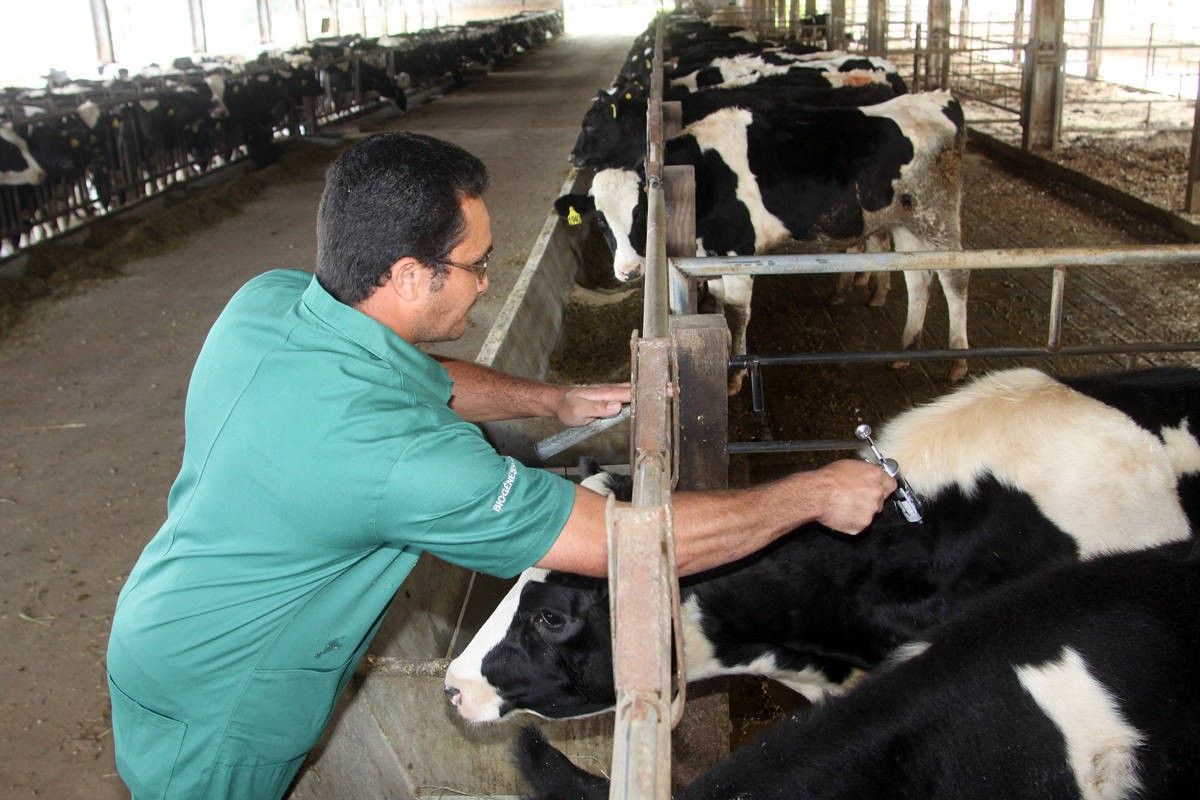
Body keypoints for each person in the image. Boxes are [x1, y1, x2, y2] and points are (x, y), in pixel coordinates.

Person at [106, 132, 896, 800]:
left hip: (161, 624)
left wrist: (549, 400)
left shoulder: (269, 303)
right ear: (411, 275)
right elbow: (626, 542)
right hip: (227, 710)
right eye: (478, 265)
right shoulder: (406, 460)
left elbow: (426, 381)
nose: (487, 284)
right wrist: (814, 494)